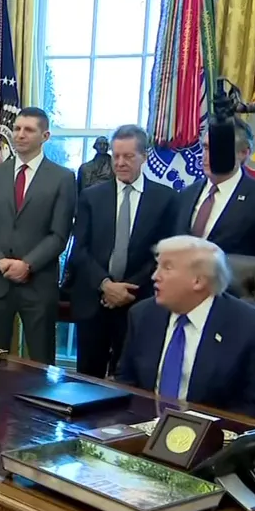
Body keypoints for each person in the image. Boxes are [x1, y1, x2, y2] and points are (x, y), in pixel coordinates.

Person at [116, 236, 255, 421]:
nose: (155, 276)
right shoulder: (143, 315)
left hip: (213, 436)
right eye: (157, 266)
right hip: (143, 427)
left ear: (198, 281)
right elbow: (126, 382)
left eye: (167, 268)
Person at [69, 124, 176, 379]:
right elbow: (80, 250)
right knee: (87, 380)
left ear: (144, 156)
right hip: (94, 302)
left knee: (131, 378)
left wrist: (127, 289)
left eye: (128, 156)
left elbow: (164, 254)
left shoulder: (166, 199)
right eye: (116, 156)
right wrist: (106, 285)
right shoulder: (91, 197)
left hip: (138, 303)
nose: (120, 162)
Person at [0, 107, 76, 364]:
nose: (20, 135)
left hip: (38, 285)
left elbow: (59, 234)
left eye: (28, 130)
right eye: (17, 128)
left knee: (41, 361)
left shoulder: (63, 178)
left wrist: (27, 265)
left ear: (45, 136)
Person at [176, 118, 255, 259]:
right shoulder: (186, 195)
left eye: (219, 149)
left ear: (243, 153)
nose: (207, 156)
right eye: (206, 148)